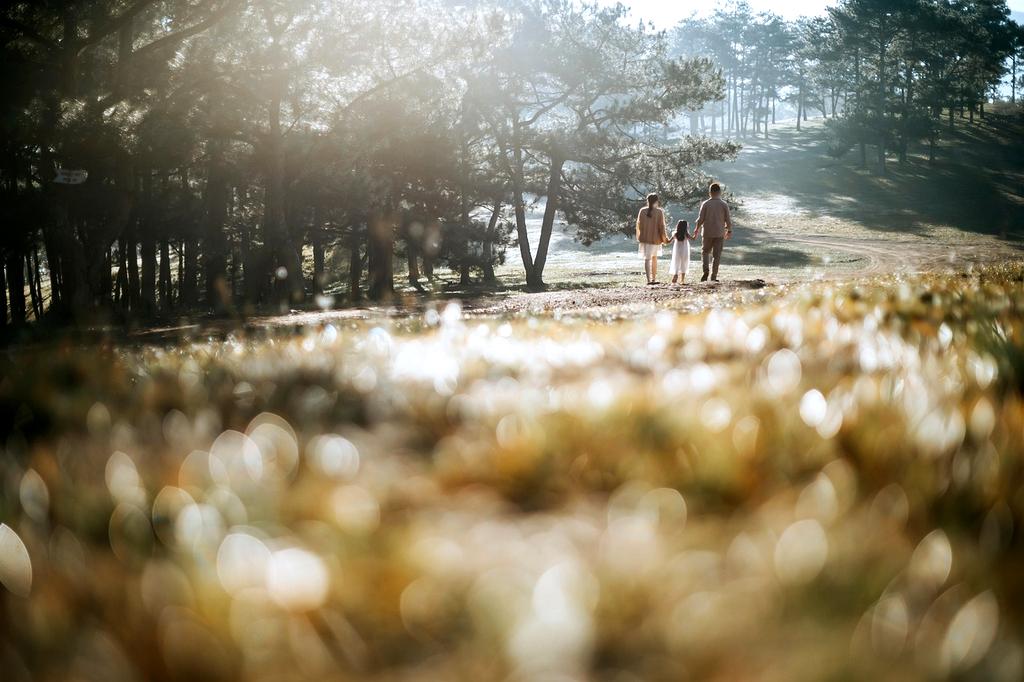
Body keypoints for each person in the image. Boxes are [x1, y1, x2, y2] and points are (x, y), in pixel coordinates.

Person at [694, 182, 733, 282]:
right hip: (719, 233)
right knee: (717, 255)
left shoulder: (706, 204)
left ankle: (705, 270)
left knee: (705, 252)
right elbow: (728, 219)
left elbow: (700, 219)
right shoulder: (724, 204)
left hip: (707, 232)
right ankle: (713, 276)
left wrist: (697, 229)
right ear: (719, 192)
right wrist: (729, 230)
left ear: (710, 192)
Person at [636, 193, 669, 285]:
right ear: (656, 201)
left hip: (645, 238)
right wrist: (664, 239)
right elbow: (662, 227)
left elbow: (638, 225)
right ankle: (653, 279)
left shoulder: (642, 211)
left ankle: (648, 280)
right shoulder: (659, 212)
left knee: (647, 259)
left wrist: (640, 236)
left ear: (648, 201)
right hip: (656, 239)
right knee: (654, 258)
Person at [667, 220, 695, 284]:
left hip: (677, 251)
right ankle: (682, 280)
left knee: (676, 262)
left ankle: (676, 274)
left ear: (678, 226)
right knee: (684, 263)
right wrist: (696, 233)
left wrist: (663, 239)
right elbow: (693, 239)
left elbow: (668, 241)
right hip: (684, 251)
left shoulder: (675, 234)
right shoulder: (686, 234)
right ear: (685, 227)